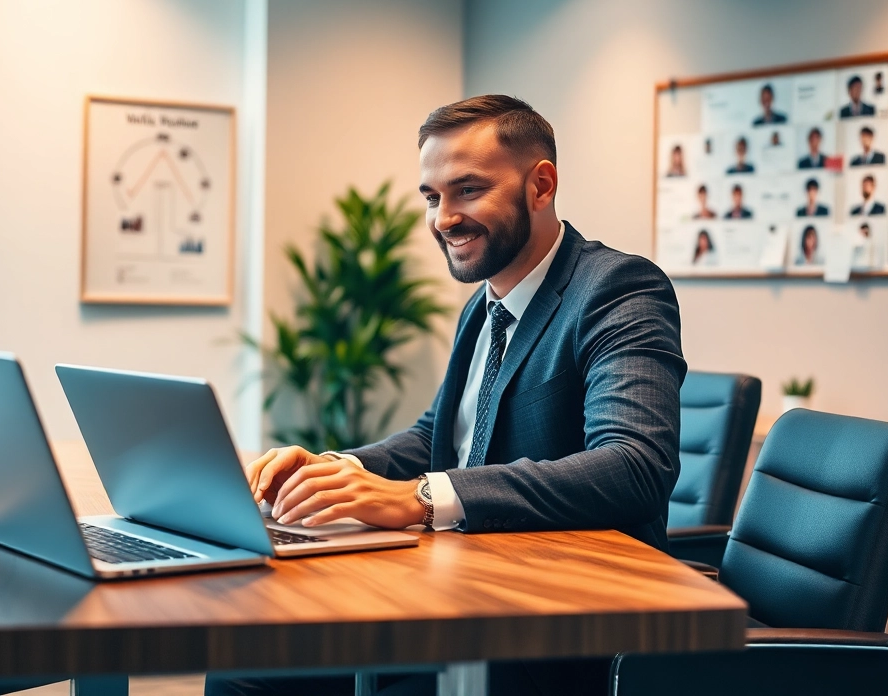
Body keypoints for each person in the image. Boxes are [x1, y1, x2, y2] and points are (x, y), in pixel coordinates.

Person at [207, 95, 687, 696]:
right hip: (464, 593)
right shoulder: (483, 307)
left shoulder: (616, 289)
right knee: (245, 665)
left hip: (556, 631)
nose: (443, 218)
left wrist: (422, 497)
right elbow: (439, 435)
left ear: (541, 185)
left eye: (467, 190)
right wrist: (337, 468)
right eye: (432, 198)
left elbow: (634, 467)